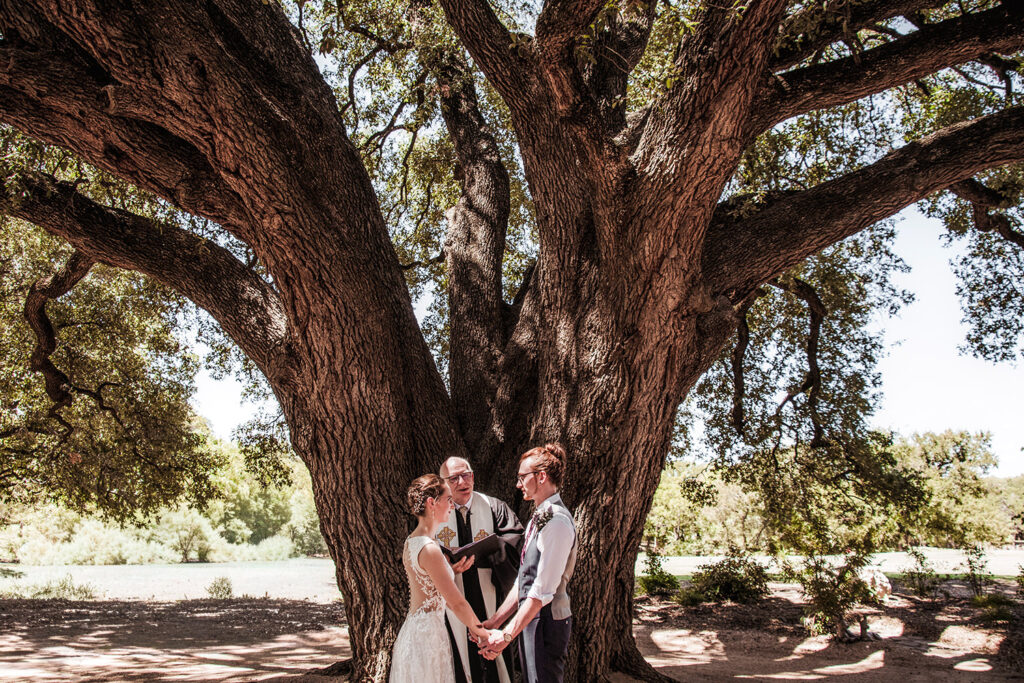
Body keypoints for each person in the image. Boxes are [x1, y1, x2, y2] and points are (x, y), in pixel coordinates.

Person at [478, 444, 577, 683]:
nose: (518, 483)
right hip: (531, 618)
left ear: (541, 477)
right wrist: (495, 621)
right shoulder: (539, 517)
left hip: (547, 622)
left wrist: (506, 636)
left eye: (522, 477)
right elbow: (525, 579)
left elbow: (541, 592)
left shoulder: (557, 523)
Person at [390, 474, 497, 683]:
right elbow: (456, 602)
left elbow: (428, 582)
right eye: (448, 499)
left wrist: (452, 571)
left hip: (419, 630)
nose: (453, 504)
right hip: (426, 638)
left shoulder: (413, 541)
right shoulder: (430, 548)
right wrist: (483, 634)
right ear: (432, 503)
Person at [436, 457, 524, 683]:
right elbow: (424, 552)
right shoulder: (436, 513)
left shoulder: (494, 508)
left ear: (473, 476)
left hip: (490, 592)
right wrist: (447, 563)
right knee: (459, 658)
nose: (462, 482)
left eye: (466, 475)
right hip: (454, 597)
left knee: (493, 664)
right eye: (453, 478)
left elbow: (516, 545)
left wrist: (486, 553)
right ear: (444, 483)